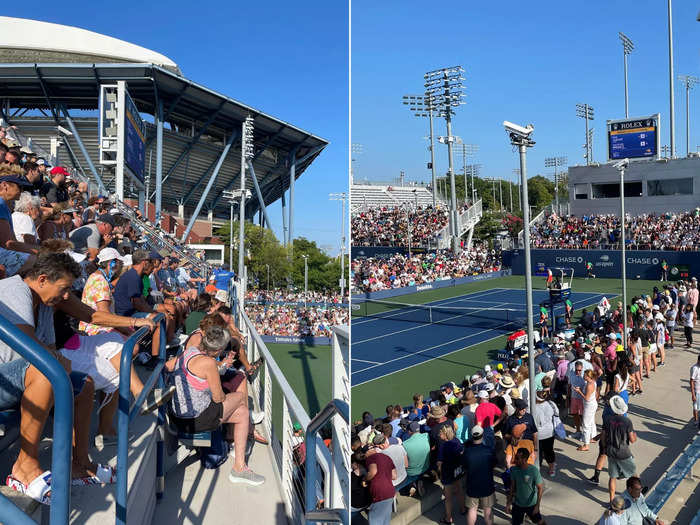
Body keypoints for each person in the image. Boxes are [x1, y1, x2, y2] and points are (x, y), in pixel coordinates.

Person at [165, 325, 265, 486]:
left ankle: (240, 466)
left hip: (177, 415)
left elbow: (167, 366)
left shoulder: (189, 351)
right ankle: (240, 452)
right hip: (194, 420)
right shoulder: (209, 363)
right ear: (219, 349)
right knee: (239, 398)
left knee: (242, 413)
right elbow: (219, 398)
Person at [601, 395, 637, 502]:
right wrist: (635, 436)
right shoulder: (627, 421)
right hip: (623, 451)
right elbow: (632, 440)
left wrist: (605, 447)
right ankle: (635, 496)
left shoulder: (607, 420)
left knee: (612, 476)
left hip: (611, 451)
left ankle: (612, 500)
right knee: (634, 474)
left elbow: (603, 436)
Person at [462, 425, 496, 525]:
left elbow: (464, 467)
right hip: (487, 485)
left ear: (472, 436)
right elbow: (493, 464)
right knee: (488, 510)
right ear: (482, 435)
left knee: (472, 510)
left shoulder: (467, 452)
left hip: (472, 485)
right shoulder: (489, 450)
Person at [506, 448, 547, 525]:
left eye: (517, 458)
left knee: (540, 522)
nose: (515, 460)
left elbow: (540, 488)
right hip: (518, 504)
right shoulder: (514, 470)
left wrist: (537, 506)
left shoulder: (533, 471)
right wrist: (508, 503)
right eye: (515, 457)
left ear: (524, 459)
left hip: (531, 505)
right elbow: (512, 487)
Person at [436, 424, 464, 524]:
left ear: (445, 434)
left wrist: (440, 472)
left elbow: (439, 462)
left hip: (447, 472)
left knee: (448, 497)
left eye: (440, 433)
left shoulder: (443, 446)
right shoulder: (457, 441)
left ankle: (448, 518)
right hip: (457, 470)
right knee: (459, 489)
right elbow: (461, 453)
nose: (439, 434)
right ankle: (463, 508)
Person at [364, 447, 396, 525]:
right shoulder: (387, 457)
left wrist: (364, 479)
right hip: (390, 491)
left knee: (374, 518)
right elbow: (394, 476)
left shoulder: (371, 458)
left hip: (379, 492)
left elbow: (373, 472)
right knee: (385, 519)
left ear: (369, 452)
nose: (364, 457)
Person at [533, 390, 557, 476]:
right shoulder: (551, 404)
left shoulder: (533, 407)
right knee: (549, 451)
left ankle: (537, 470)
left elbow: (539, 421)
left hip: (538, 434)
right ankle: (552, 468)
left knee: (538, 453)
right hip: (550, 433)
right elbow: (557, 413)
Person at [573, 369, 597, 451]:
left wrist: (579, 391)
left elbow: (586, 398)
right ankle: (592, 437)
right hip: (592, 404)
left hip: (589, 406)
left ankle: (586, 445)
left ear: (588, 376)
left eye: (585, 375)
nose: (583, 376)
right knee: (591, 422)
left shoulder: (589, 385)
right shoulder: (592, 382)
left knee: (586, 424)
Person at [691, 354, 700, 430]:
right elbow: (691, 381)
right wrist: (693, 394)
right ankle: (696, 421)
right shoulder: (695, 368)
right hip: (697, 391)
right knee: (696, 407)